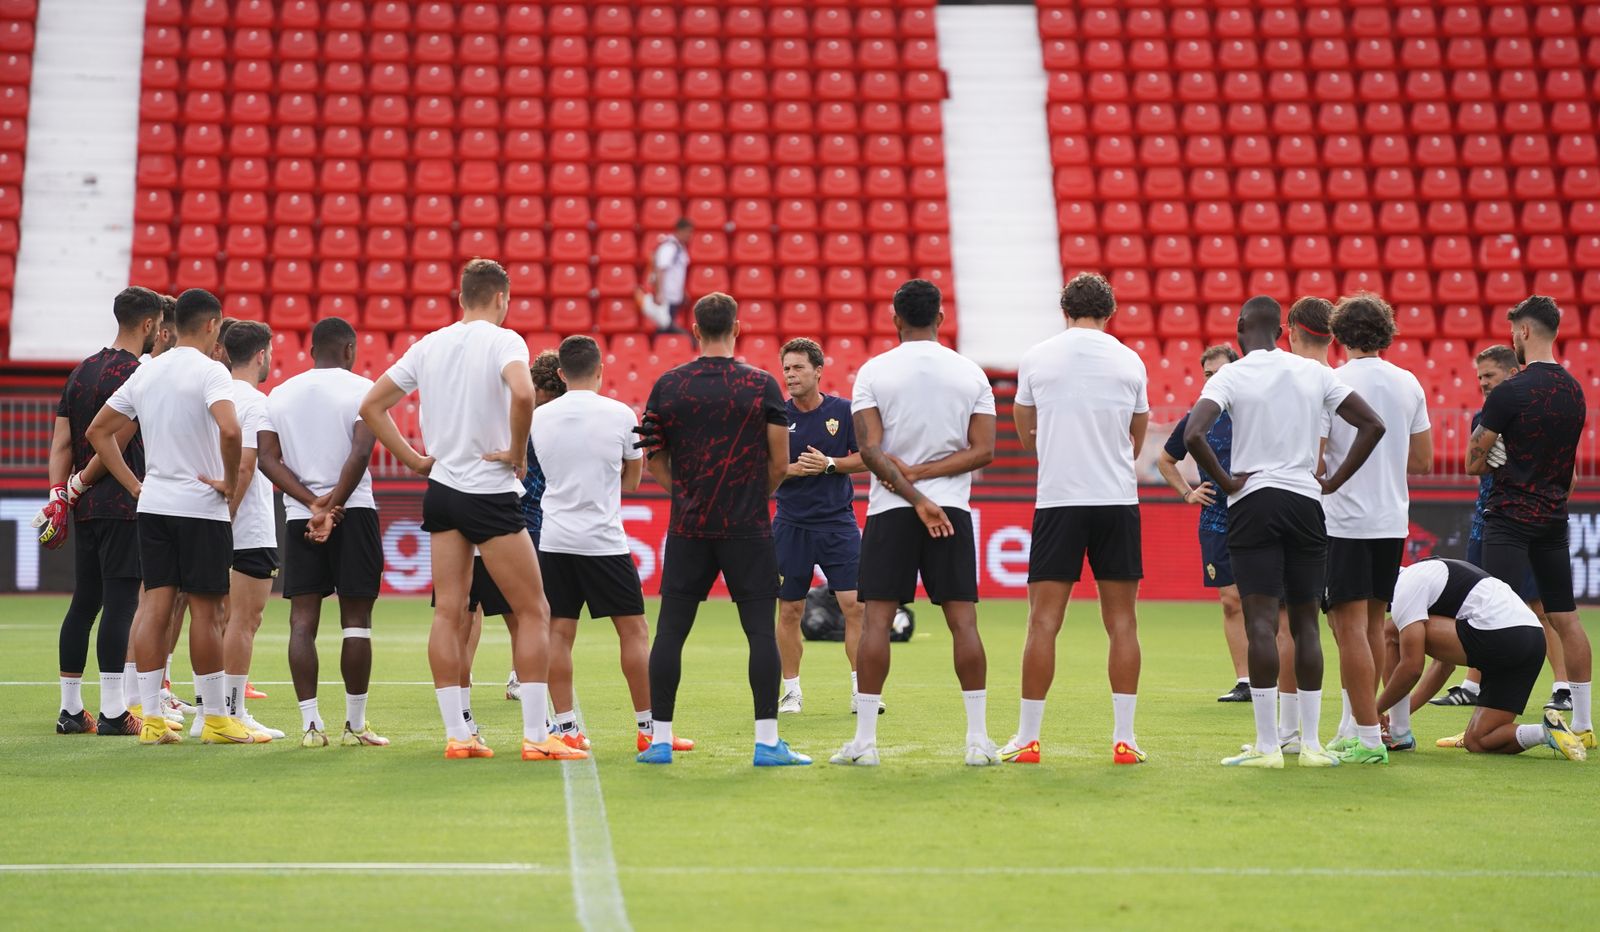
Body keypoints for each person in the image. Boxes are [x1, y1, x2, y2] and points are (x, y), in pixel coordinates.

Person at [361, 258, 585, 762]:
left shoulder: (431, 343)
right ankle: (534, 735)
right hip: (489, 489)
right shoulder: (506, 341)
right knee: (534, 611)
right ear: (502, 298)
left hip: (441, 490)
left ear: (461, 297)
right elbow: (525, 391)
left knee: (449, 612)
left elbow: (372, 405)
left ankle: (459, 735)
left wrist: (415, 460)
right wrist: (519, 453)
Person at [1182, 295, 1386, 769]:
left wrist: (1228, 481)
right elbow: (1372, 426)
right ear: (1280, 331)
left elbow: (1194, 434)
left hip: (1254, 501)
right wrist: (1332, 481)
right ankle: (1311, 745)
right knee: (1306, 623)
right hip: (1305, 502)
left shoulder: (1233, 373)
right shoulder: (1313, 372)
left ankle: (1268, 746)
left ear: (1240, 329)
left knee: (1260, 623)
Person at [634, 292, 809, 766]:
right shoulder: (762, 385)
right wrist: (752, 496)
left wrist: (688, 492)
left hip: (689, 526)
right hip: (746, 527)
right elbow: (780, 462)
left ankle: (662, 741)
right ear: (737, 329)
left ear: (694, 331)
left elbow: (653, 460)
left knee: (670, 632)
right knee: (759, 632)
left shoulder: (669, 386)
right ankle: (767, 742)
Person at [830, 279, 998, 768]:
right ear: (941, 318)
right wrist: (930, 489)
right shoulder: (971, 374)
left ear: (894, 319)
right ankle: (977, 741)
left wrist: (913, 489)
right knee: (963, 622)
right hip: (952, 512)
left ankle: (864, 743)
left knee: (877, 621)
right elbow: (984, 450)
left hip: (891, 512)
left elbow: (869, 450)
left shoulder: (874, 371)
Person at [87, 288, 250, 746]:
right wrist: (229, 482)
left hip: (154, 503)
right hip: (200, 505)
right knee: (207, 611)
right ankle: (216, 718)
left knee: (154, 606)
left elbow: (98, 432)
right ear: (214, 324)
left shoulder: (147, 371)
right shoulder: (212, 372)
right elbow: (232, 428)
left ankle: (153, 719)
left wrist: (134, 485)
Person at [1002, 272, 1149, 766]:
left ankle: (1027, 739)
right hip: (1116, 499)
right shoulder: (1130, 360)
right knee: (1123, 622)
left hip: (1060, 499)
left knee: (1043, 622)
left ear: (1064, 311)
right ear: (1110, 314)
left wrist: (1050, 443)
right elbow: (1137, 437)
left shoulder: (1038, 356)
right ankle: (1124, 739)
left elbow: (1024, 428)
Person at [533, 336, 694, 755]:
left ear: (562, 374)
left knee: (559, 633)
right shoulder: (622, 413)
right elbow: (634, 480)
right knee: (634, 632)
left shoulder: (539, 417)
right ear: (601, 370)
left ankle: (566, 727)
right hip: (604, 540)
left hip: (555, 538)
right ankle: (649, 729)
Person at [1466, 295, 1592, 750]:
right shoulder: (1576, 391)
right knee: (1566, 617)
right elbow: (1572, 472)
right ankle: (1583, 721)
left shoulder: (1510, 393)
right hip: (1554, 517)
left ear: (1523, 332)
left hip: (1508, 519)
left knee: (1499, 615)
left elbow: (1473, 464)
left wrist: (1491, 455)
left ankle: (1490, 719)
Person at [38, 286, 163, 736]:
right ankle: (113, 710)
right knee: (121, 603)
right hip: (121, 503)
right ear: (149, 325)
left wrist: (61, 493)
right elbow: (116, 441)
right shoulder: (137, 375)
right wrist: (84, 484)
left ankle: (70, 710)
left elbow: (62, 443)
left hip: (84, 507)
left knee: (84, 603)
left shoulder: (82, 370)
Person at [257, 316, 387, 749]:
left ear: (312, 350)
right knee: (356, 623)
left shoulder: (280, 393)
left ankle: (311, 727)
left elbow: (268, 460)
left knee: (302, 622)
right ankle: (355, 726)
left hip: (299, 518)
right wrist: (333, 504)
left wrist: (313, 504)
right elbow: (361, 451)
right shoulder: (363, 390)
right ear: (349, 349)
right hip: (355, 512)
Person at [1418, 345, 1567, 717]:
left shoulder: (1532, 418)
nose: (1483, 383)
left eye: (1490, 376)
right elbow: (1477, 467)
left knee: (1536, 608)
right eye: (1479, 377)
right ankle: (1472, 684)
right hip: (1486, 523)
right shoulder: (1483, 418)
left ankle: (1562, 686)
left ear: (1512, 374)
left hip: (1522, 523)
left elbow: (1563, 472)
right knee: (1475, 608)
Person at [1316, 295, 1433, 764]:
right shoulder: (1408, 382)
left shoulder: (1333, 380)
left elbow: (1317, 452)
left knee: (1347, 632)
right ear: (1385, 332)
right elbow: (1423, 461)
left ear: (1339, 334)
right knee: (1370, 627)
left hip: (1343, 517)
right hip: (1390, 518)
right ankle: (1356, 725)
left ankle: (1363, 734)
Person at [1375, 559, 1586, 761]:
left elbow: (1412, 668)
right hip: (1533, 642)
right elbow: (1443, 666)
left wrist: (1372, 712)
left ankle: (1399, 734)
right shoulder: (1427, 576)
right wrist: (1398, 716)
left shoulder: (1405, 587)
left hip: (1501, 634)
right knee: (1479, 739)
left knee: (1390, 631)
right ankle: (1546, 731)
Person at [772, 337, 870, 716]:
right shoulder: (777, 415)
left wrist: (830, 463)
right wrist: (792, 469)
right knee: (789, 610)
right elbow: (765, 472)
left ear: (818, 370)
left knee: (854, 607)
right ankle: (791, 692)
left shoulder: (843, 412)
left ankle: (862, 690)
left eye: (798, 368)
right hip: (791, 525)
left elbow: (866, 457)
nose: (790, 375)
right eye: (786, 369)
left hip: (837, 523)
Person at [1157, 344, 1250, 703]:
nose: (1212, 381)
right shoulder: (1199, 415)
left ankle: (1271, 678)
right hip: (1215, 516)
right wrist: (1187, 493)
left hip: (1254, 511)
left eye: (1220, 373)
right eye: (1208, 375)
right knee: (1230, 601)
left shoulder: (1253, 412)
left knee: (1266, 600)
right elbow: (1167, 459)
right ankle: (1244, 681)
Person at [215, 320, 284, 741]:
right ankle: (234, 712)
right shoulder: (256, 403)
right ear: (261, 354)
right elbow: (245, 464)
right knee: (245, 620)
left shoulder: (216, 396)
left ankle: (212, 709)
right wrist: (230, 513)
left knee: (218, 619)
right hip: (247, 526)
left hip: (209, 519)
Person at [642, 217, 692, 333]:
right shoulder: (669, 247)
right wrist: (659, 292)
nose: (690, 235)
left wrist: (682, 291)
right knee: (665, 326)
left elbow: (678, 272)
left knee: (667, 326)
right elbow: (660, 269)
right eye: (689, 232)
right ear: (681, 230)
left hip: (674, 295)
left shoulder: (680, 248)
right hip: (667, 296)